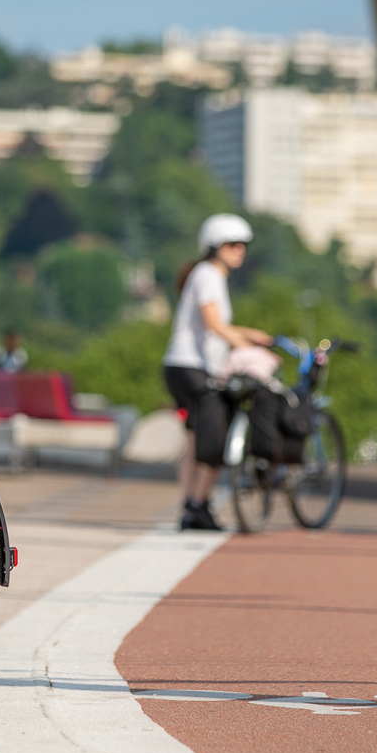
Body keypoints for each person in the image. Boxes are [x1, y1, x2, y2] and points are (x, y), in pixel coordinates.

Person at [162, 214, 274, 531]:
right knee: (215, 438)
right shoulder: (209, 274)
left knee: (196, 438)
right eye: (232, 244)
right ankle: (198, 505)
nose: (240, 250)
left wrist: (249, 334)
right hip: (195, 368)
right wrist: (246, 348)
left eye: (243, 245)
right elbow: (213, 324)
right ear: (214, 247)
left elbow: (214, 325)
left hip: (180, 366)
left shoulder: (206, 274)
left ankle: (190, 505)